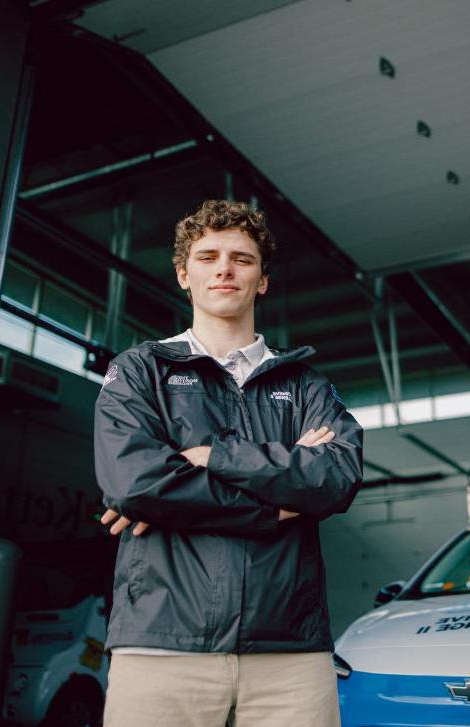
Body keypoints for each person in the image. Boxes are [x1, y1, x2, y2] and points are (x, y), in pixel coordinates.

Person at [92, 199, 363, 727]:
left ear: (261, 280)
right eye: (208, 256)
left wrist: (215, 456)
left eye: (242, 258)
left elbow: (336, 478)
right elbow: (136, 484)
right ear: (183, 275)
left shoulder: (306, 385)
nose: (224, 268)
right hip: (161, 645)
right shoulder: (141, 371)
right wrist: (275, 507)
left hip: (292, 655)